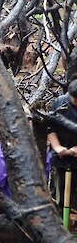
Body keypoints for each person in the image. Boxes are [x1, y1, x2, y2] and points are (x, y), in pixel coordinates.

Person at [47, 79, 77, 211]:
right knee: (58, 190)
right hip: (60, 153)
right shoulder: (60, 103)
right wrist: (58, 147)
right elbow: (50, 127)